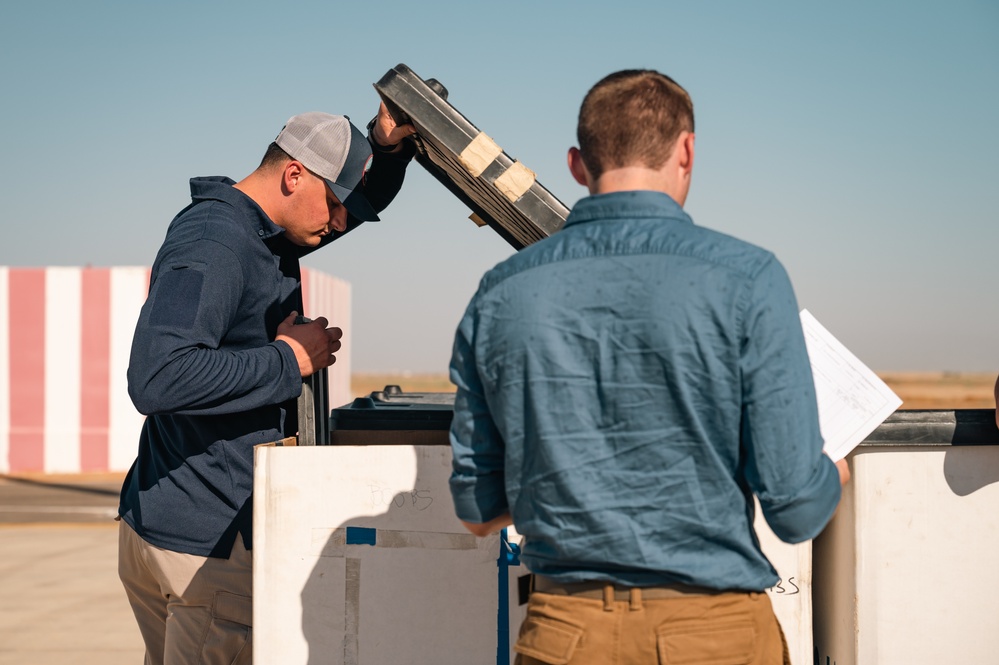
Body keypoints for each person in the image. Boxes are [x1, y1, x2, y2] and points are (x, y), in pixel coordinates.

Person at [448, 69, 850, 664]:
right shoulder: (749, 278)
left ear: (577, 165)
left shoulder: (500, 293)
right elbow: (794, 512)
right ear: (686, 151)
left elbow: (478, 508)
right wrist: (833, 474)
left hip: (564, 635)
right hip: (715, 636)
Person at [117, 103, 416, 665]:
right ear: (294, 173)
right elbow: (156, 375)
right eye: (334, 204)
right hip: (207, 549)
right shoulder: (217, 243)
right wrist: (289, 359)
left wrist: (388, 146)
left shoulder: (266, 234)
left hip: (176, 522)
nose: (340, 224)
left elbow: (362, 199)